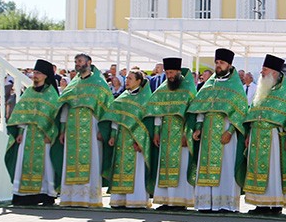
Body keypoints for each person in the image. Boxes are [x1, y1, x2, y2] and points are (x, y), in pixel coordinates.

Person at [188, 48, 249, 212]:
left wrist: (230, 132)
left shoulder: (236, 86)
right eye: (216, 62)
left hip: (226, 133)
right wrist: (198, 128)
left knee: (226, 168)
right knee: (206, 166)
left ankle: (225, 204)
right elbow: (201, 109)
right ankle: (206, 203)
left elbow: (240, 112)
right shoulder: (209, 84)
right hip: (207, 133)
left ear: (229, 65)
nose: (218, 65)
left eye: (222, 62)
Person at [241, 55, 286, 214]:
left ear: (274, 73)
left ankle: (274, 204)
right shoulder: (261, 92)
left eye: (265, 70)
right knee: (256, 170)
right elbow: (253, 114)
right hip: (256, 137)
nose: (261, 72)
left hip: (275, 139)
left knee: (273, 171)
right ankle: (259, 203)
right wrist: (248, 134)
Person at [57, 53, 114, 208]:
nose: (77, 64)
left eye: (80, 61)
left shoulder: (99, 83)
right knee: (71, 161)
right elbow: (65, 107)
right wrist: (62, 130)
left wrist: (104, 129)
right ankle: (70, 197)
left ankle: (90, 198)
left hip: (92, 128)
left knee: (92, 161)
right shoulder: (73, 84)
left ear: (89, 63)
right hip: (72, 129)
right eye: (76, 61)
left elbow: (107, 108)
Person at [4, 59, 63, 206]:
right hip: (27, 134)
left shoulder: (51, 94)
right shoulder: (29, 91)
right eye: (34, 72)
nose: (34, 75)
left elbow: (54, 117)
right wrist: (19, 131)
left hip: (44, 136)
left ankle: (46, 194)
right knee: (24, 163)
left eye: (38, 73)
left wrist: (50, 134)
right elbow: (21, 113)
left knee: (46, 165)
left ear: (45, 75)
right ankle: (24, 196)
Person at [145, 57, 197, 210]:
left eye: (172, 72)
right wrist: (156, 132)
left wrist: (186, 134)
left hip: (181, 135)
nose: (169, 76)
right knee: (164, 167)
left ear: (179, 72)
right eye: (167, 73)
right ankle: (166, 200)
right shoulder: (163, 89)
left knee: (181, 167)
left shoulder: (188, 90)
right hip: (165, 135)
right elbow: (157, 112)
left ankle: (179, 201)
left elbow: (191, 114)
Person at [103, 70, 154, 209]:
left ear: (139, 81)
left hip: (136, 141)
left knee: (136, 170)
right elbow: (116, 118)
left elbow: (147, 123)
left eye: (130, 78)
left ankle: (136, 200)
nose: (127, 81)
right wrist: (113, 135)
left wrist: (141, 141)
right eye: (126, 78)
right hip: (121, 139)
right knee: (119, 168)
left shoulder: (145, 98)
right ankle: (119, 200)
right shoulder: (123, 97)